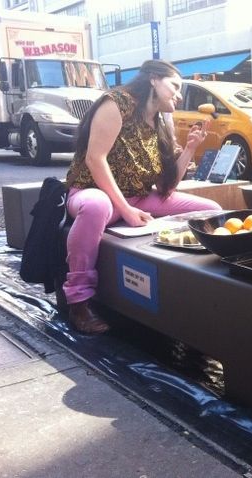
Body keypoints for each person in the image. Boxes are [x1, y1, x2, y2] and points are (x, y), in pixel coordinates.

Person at [63, 59, 222, 334]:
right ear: (153, 79)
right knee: (97, 206)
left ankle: (206, 284)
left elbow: (167, 185)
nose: (179, 94)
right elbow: (94, 158)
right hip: (93, 192)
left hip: (139, 197)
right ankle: (79, 301)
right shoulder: (117, 103)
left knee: (211, 209)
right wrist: (124, 209)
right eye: (175, 85)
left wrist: (190, 149)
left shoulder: (161, 121)